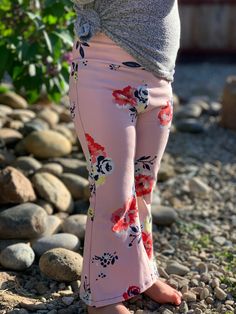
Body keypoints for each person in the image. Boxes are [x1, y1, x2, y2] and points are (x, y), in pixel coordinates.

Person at [68, 1, 182, 313]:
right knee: (112, 192)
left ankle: (141, 277)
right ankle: (102, 298)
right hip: (102, 74)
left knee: (142, 190)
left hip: (159, 79)